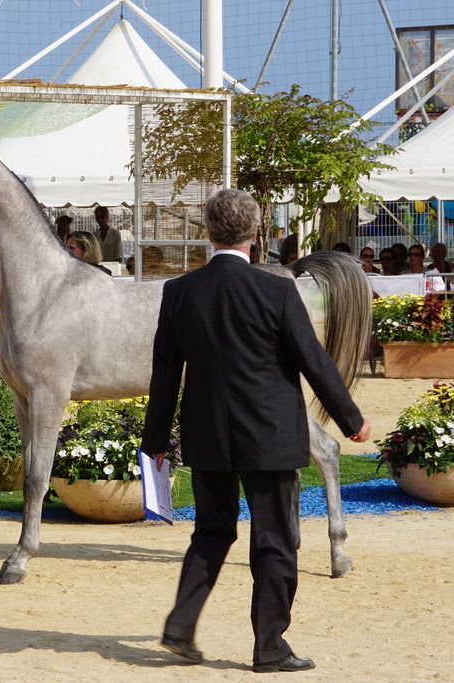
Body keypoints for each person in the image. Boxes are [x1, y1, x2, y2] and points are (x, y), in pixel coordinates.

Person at [141, 188, 370, 673]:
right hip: (269, 436)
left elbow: (164, 375)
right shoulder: (277, 290)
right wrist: (351, 419)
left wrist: (155, 444)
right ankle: (269, 647)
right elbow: (314, 361)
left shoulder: (178, 292)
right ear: (257, 232)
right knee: (274, 540)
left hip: (205, 435)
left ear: (207, 232)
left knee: (210, 532)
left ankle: (180, 627)